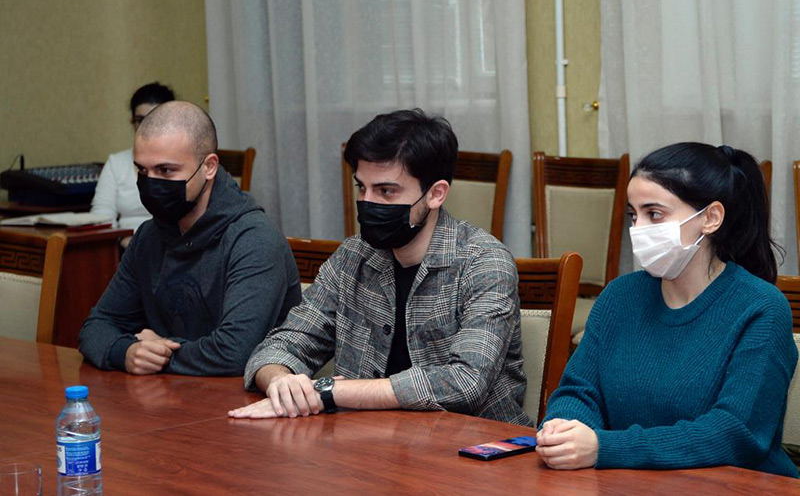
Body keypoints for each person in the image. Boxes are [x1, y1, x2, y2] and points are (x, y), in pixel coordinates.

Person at [229, 108, 529, 425]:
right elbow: (282, 344)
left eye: (386, 191)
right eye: (362, 188)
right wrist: (280, 381)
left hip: (474, 444)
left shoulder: (484, 262)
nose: (368, 202)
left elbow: (465, 383)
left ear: (435, 194)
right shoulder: (352, 257)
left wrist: (330, 392)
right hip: (367, 439)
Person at [536, 142, 798, 478]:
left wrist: (605, 448)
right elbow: (578, 390)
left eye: (655, 214)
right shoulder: (620, 295)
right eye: (634, 214)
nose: (639, 229)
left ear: (710, 218)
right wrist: (564, 428)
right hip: (626, 481)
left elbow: (735, 433)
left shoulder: (761, 308)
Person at [79, 101, 302, 376]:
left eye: (166, 171)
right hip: (165, 394)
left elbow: (236, 353)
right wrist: (125, 352)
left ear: (209, 167)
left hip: (244, 398)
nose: (150, 183)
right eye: (142, 171)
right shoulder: (149, 236)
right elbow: (96, 326)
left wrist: (160, 354)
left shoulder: (255, 239)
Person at [91, 82, 175, 245]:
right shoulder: (116, 163)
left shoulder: (182, 163)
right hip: (126, 246)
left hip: (173, 247)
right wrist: (125, 241)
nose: (147, 127)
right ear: (132, 123)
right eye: (140, 120)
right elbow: (101, 216)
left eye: (155, 120)